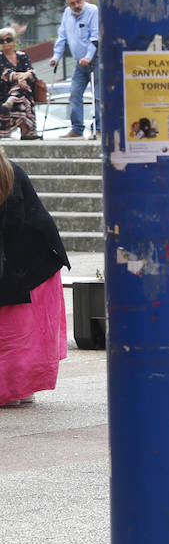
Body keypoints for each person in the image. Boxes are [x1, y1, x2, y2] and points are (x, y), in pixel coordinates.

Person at [0, 144, 69, 405]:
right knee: (23, 334)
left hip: (26, 264)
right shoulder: (11, 169)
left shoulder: (9, 175)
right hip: (38, 263)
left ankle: (9, 392)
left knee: (11, 331)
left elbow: (12, 232)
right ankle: (21, 388)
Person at [50, 0, 100, 139]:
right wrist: (56, 56)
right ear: (68, 4)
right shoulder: (67, 13)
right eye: (72, 3)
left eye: (78, 1)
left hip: (96, 60)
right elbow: (62, 37)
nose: (77, 5)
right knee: (74, 93)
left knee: (97, 96)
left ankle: (99, 128)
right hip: (79, 63)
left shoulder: (92, 11)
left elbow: (95, 37)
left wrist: (89, 56)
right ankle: (77, 129)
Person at [0, 28, 42, 140]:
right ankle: (26, 131)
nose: (5, 43)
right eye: (1, 41)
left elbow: (31, 71)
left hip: (22, 89)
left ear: (14, 41)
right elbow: (4, 73)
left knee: (23, 91)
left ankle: (11, 101)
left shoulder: (22, 55)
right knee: (24, 92)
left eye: (8, 40)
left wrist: (25, 76)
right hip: (4, 89)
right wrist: (20, 78)